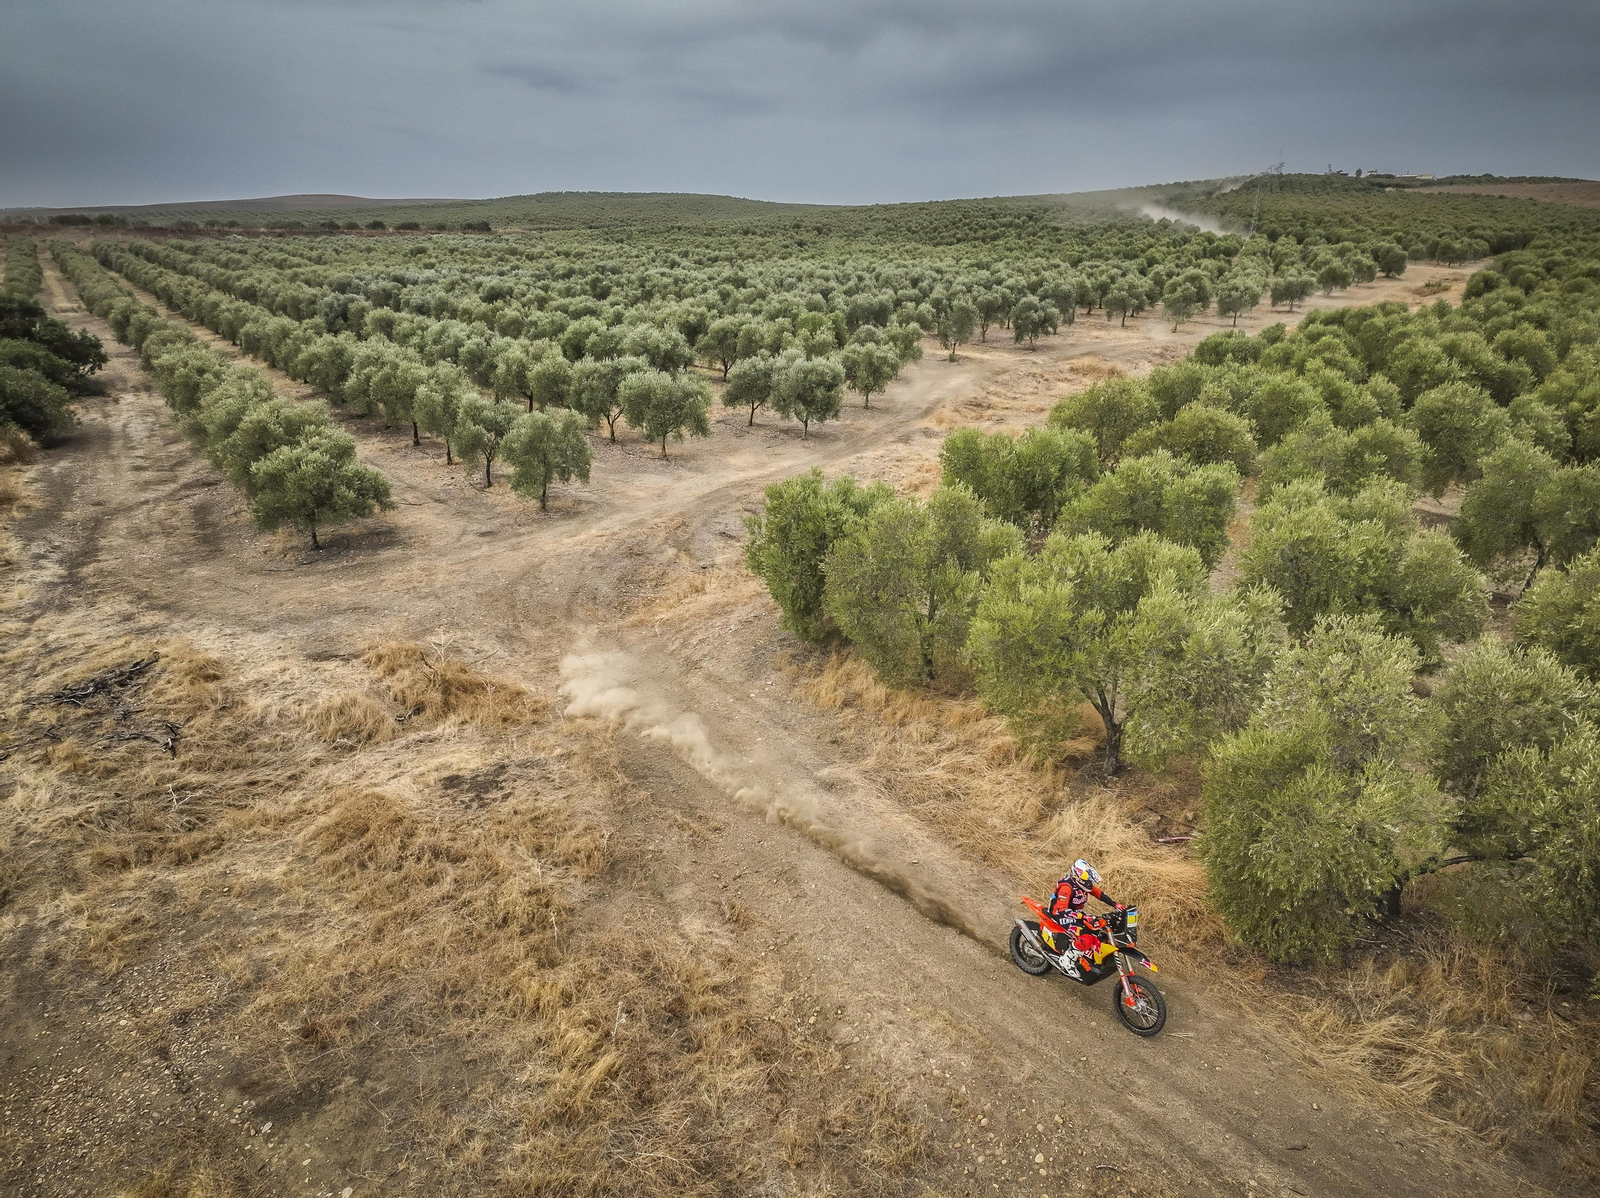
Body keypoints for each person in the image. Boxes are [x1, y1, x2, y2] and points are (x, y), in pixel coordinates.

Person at [1044, 859, 1124, 966]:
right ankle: (1067, 961)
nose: (1089, 883)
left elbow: (1098, 893)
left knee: (1098, 929)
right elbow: (1061, 910)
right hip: (1060, 915)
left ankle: (1087, 957)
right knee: (1086, 937)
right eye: (1086, 880)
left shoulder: (1081, 884)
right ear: (1077, 876)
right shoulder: (1066, 887)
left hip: (1075, 913)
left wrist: (1115, 904)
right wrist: (1082, 916)